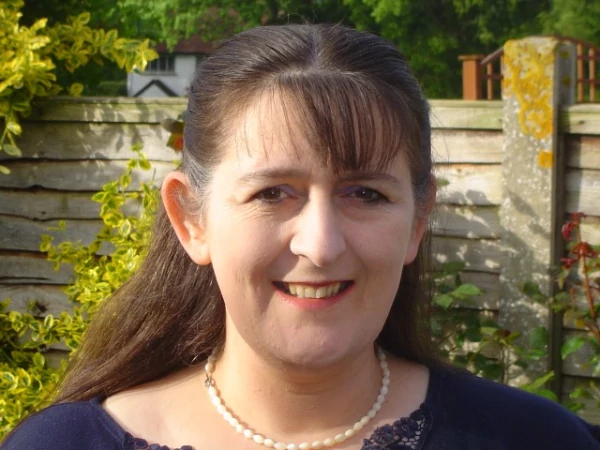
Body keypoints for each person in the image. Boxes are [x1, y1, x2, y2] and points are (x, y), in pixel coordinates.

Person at [2, 23, 600, 450]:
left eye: (365, 193)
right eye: (272, 193)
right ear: (191, 219)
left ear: (418, 220)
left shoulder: (534, 438)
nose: (320, 245)